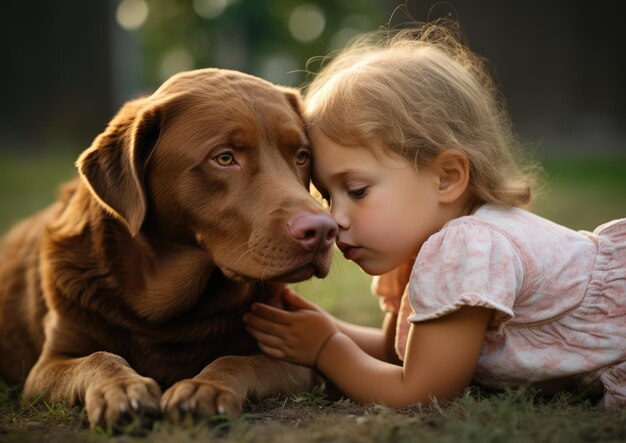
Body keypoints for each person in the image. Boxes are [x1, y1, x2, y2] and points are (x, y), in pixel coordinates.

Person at [242, 23, 625, 409]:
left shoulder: (466, 246)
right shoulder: (424, 248)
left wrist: (326, 349)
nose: (335, 218)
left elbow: (421, 392)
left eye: (356, 191)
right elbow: (400, 355)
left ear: (447, 177)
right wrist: (320, 328)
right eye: (327, 196)